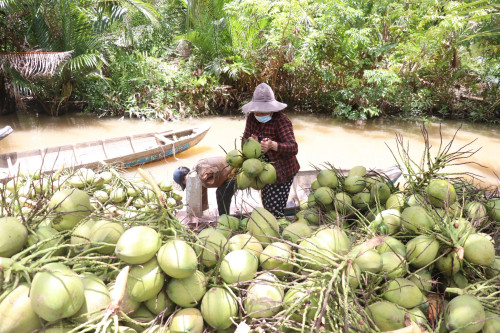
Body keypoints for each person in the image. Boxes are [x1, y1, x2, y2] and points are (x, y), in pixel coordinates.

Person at [241, 83, 300, 217]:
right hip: (262, 170)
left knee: (273, 210)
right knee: (266, 203)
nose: (259, 114)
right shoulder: (251, 118)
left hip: (282, 172)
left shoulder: (282, 121)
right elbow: (244, 139)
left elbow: (293, 147)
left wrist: (273, 145)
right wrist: (250, 141)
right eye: (257, 111)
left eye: (263, 111)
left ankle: (276, 231)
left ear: (272, 109)